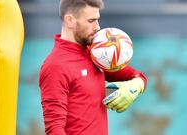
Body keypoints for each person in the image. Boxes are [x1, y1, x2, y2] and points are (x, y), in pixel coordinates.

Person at [39, 0, 147, 135]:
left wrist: (136, 86)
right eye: (91, 21)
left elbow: (136, 76)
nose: (97, 27)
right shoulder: (55, 66)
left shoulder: (96, 54)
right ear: (70, 20)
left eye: (97, 20)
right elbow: (54, 129)